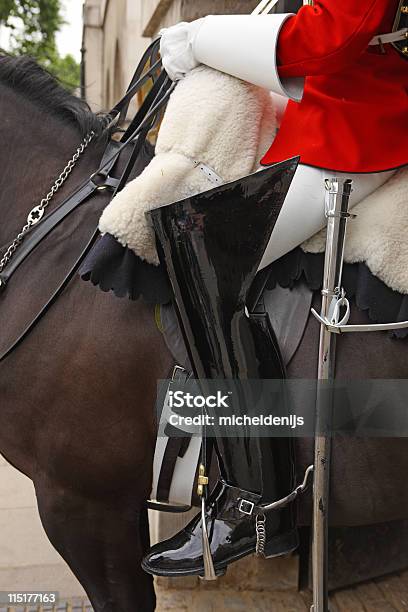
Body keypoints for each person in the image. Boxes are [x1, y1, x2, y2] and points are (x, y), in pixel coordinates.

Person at [141, 0, 408, 579]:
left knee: (202, 254)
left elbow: (338, 32)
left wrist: (206, 37)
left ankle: (253, 502)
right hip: (331, 106)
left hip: (363, 121)